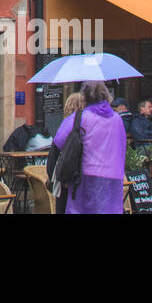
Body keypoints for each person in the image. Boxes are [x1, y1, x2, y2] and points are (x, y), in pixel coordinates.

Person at [51, 81, 126, 214]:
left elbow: (59, 142)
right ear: (107, 96)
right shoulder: (117, 119)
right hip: (114, 177)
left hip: (86, 177)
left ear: (84, 97)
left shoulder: (79, 118)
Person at [46, 92, 85, 214]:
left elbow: (54, 154)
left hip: (65, 178)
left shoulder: (66, 124)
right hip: (84, 179)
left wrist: (52, 177)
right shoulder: (90, 123)